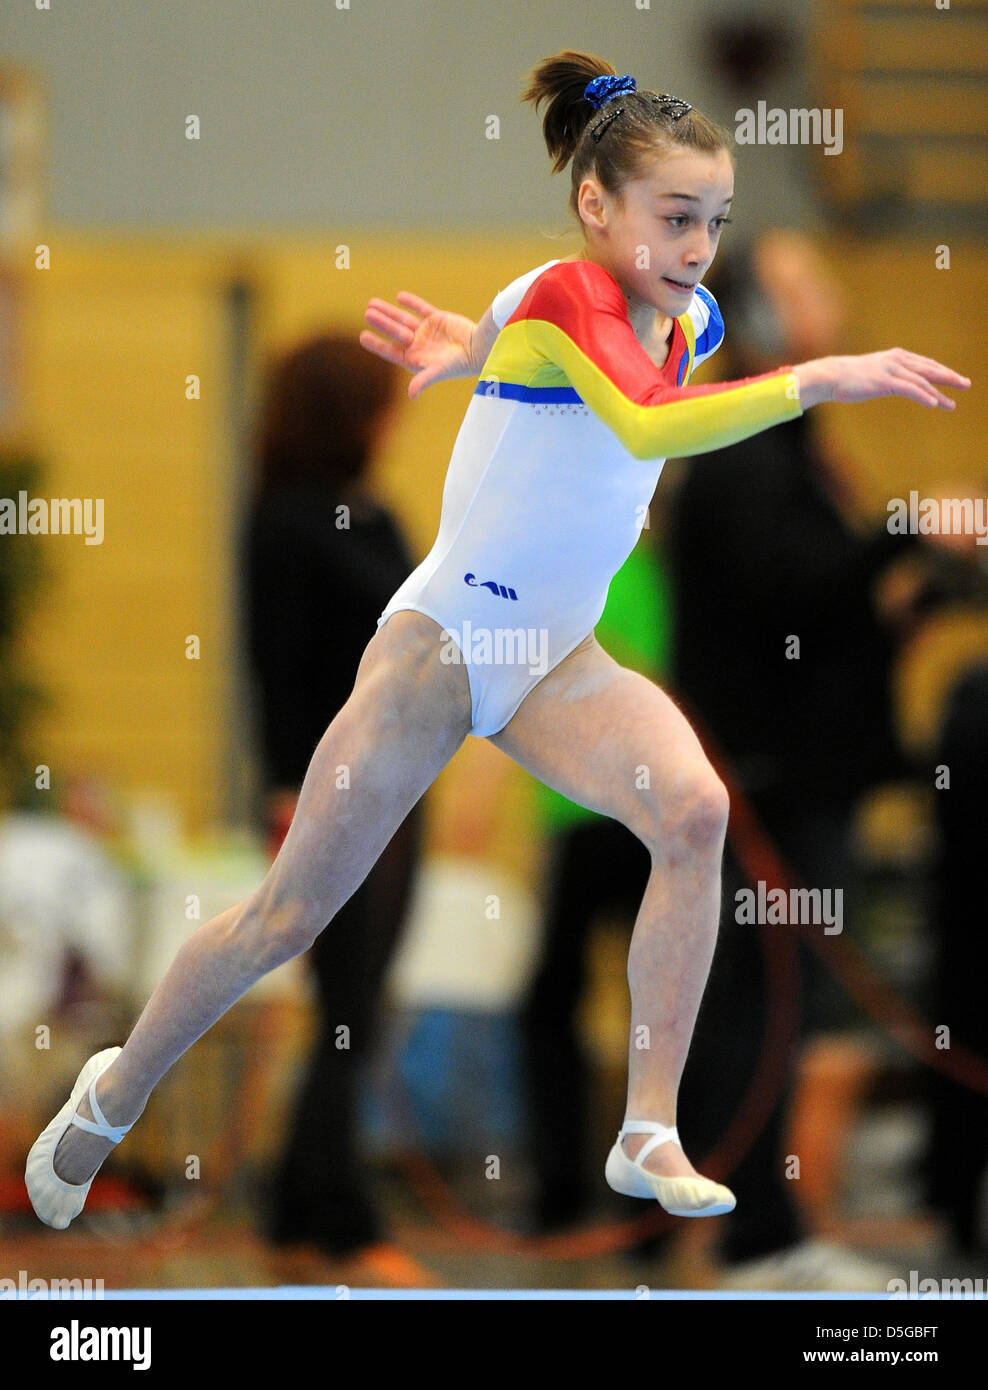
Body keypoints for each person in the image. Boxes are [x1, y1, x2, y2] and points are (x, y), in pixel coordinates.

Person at [27, 49, 968, 1234]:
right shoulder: (574, 293)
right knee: (286, 918)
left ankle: (644, 1126)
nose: (696, 247)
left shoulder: (689, 313)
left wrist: (465, 351)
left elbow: (526, 345)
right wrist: (817, 377)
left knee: (692, 814)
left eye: (715, 222)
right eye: (675, 218)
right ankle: (115, 1088)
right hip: (443, 648)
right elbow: (635, 414)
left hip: (556, 659)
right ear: (596, 207)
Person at [241, 334, 429, 1283]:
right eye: (381, 404)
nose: (395, 421)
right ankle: (336, 1220)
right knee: (347, 1004)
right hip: (332, 793)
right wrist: (282, 789)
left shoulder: (373, 510)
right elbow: (271, 668)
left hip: (397, 783)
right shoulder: (284, 521)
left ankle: (299, 1213)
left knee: (357, 1007)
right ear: (343, 414)